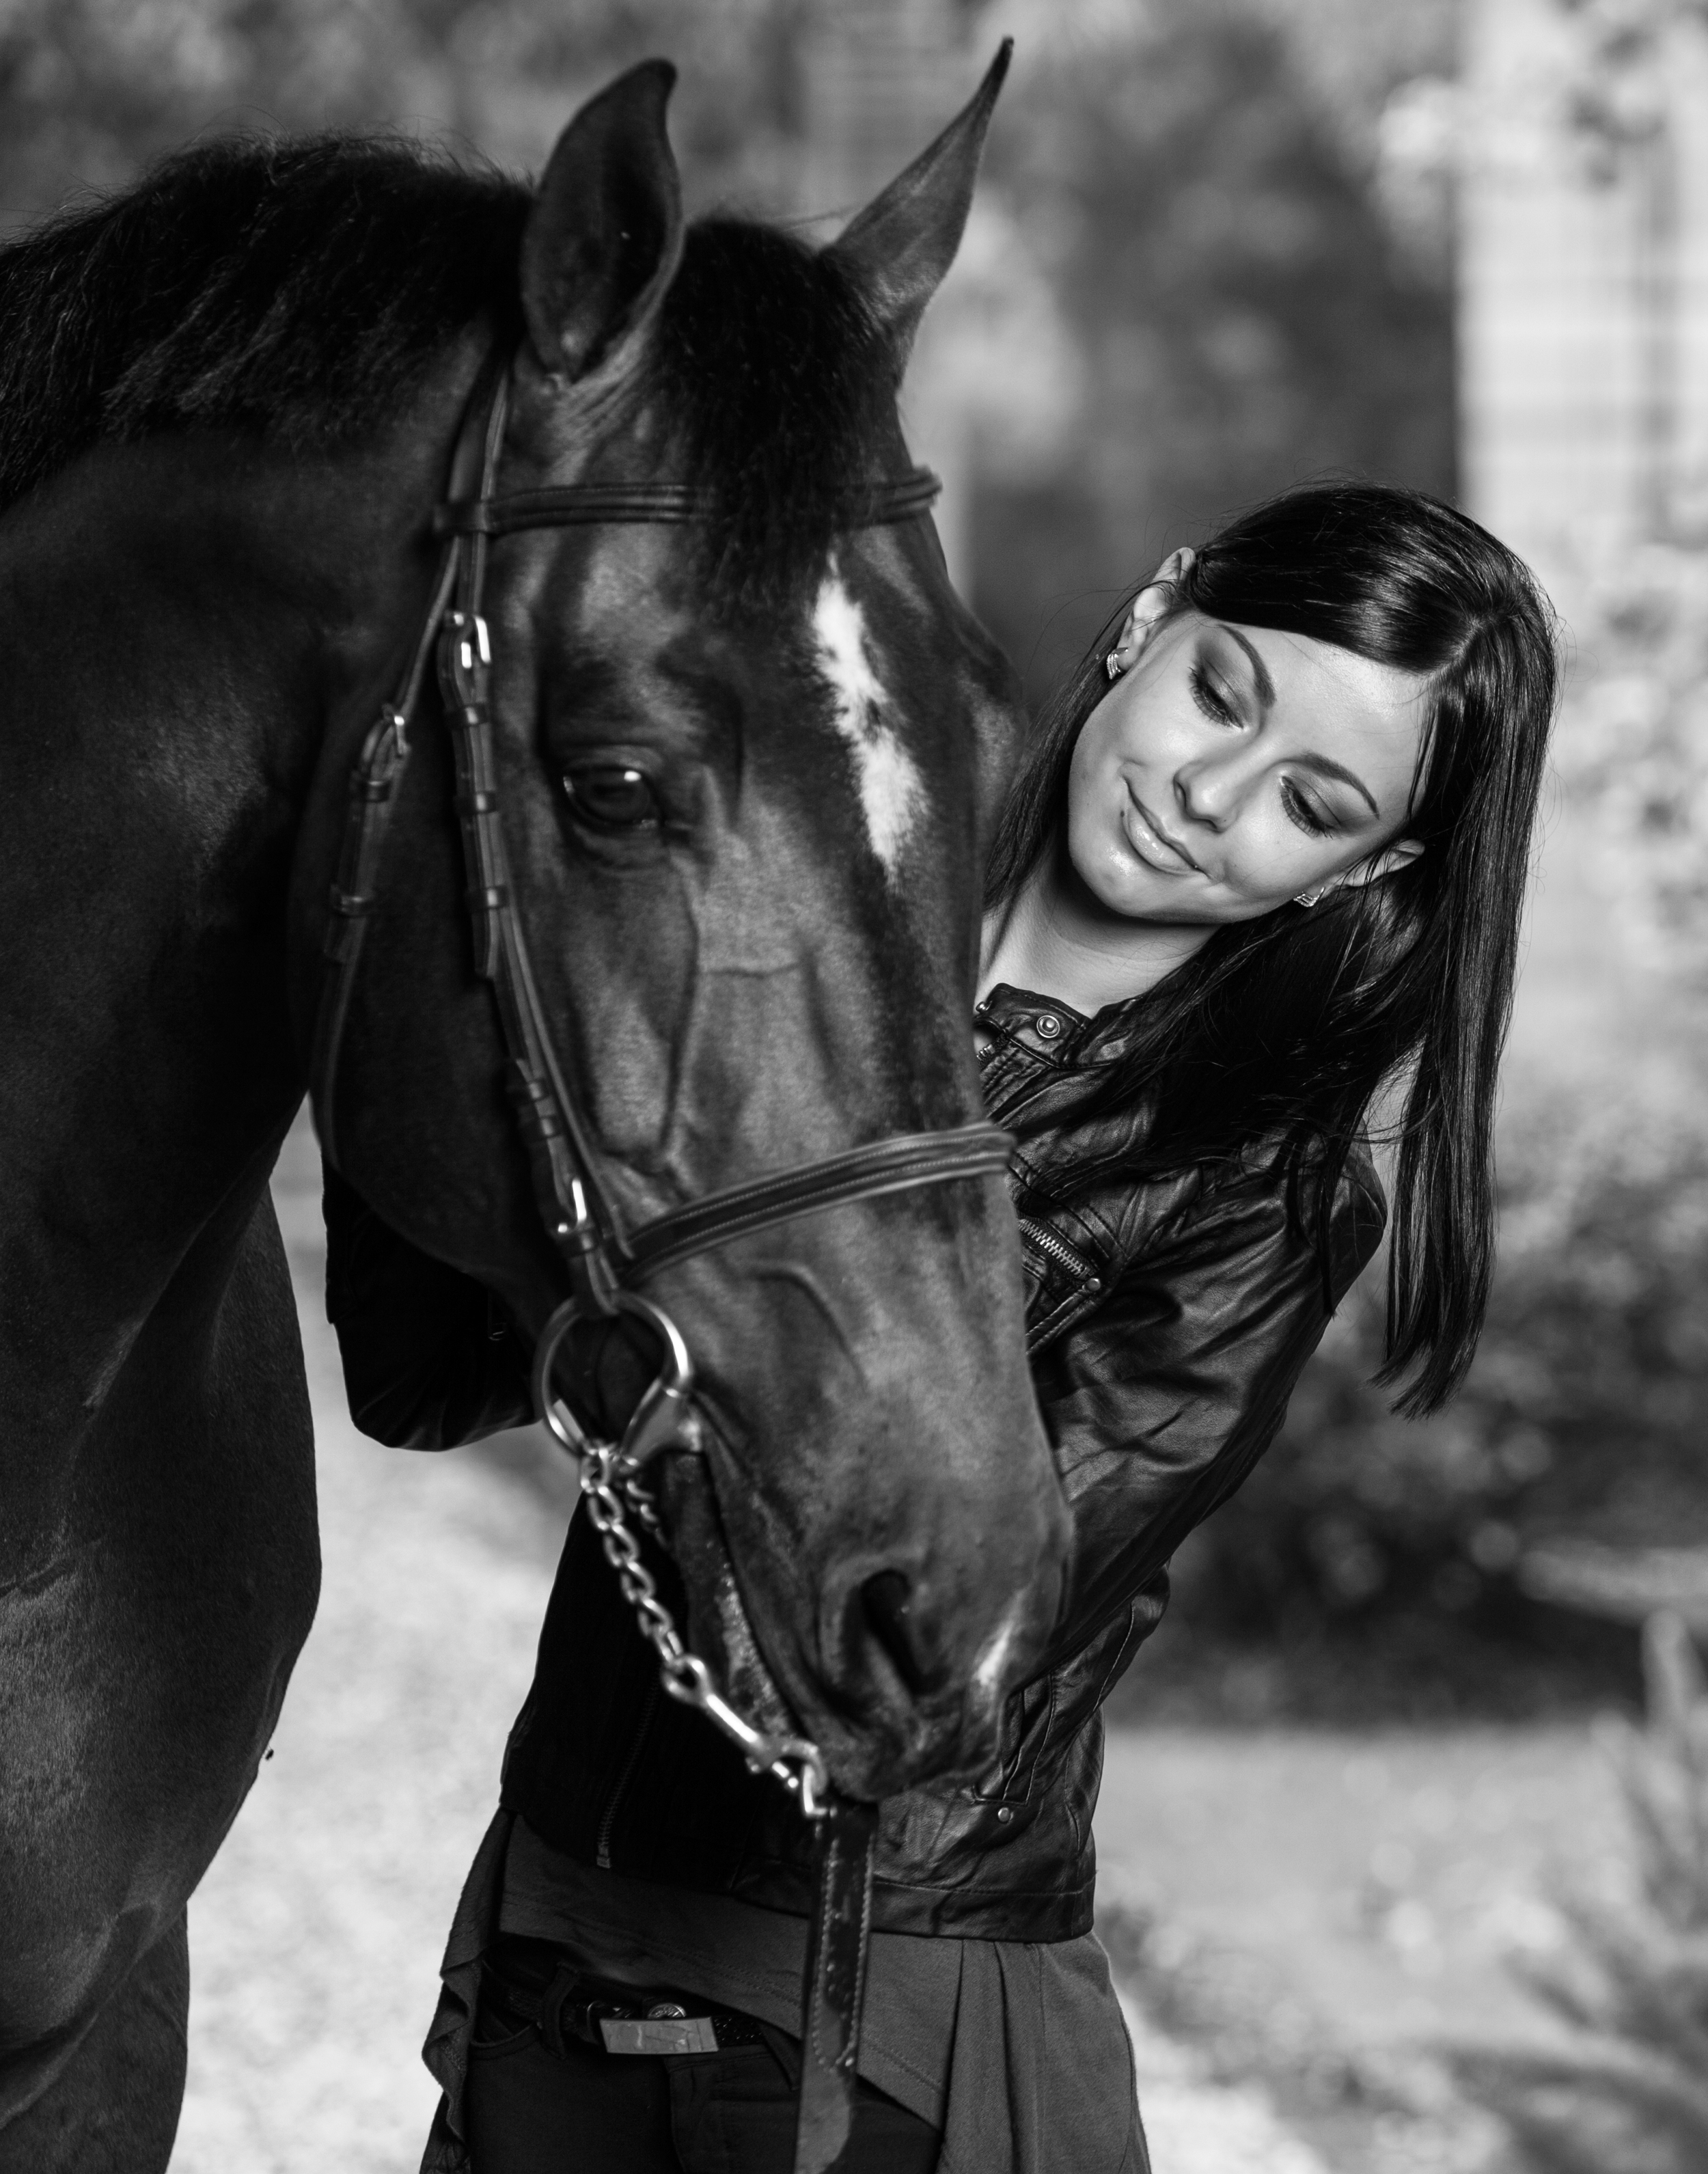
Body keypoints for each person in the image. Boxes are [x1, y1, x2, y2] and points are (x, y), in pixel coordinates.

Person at [324, 479, 1558, 2174]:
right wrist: (431, 969)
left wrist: (719, 1288)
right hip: (559, 1929)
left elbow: (941, 1646)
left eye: (1309, 798)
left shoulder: (1248, 1197)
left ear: (1368, 866)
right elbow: (416, 1377)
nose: (1207, 795)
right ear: (1151, 615)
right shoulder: (788, 963)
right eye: (1219, 690)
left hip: (870, 2000)